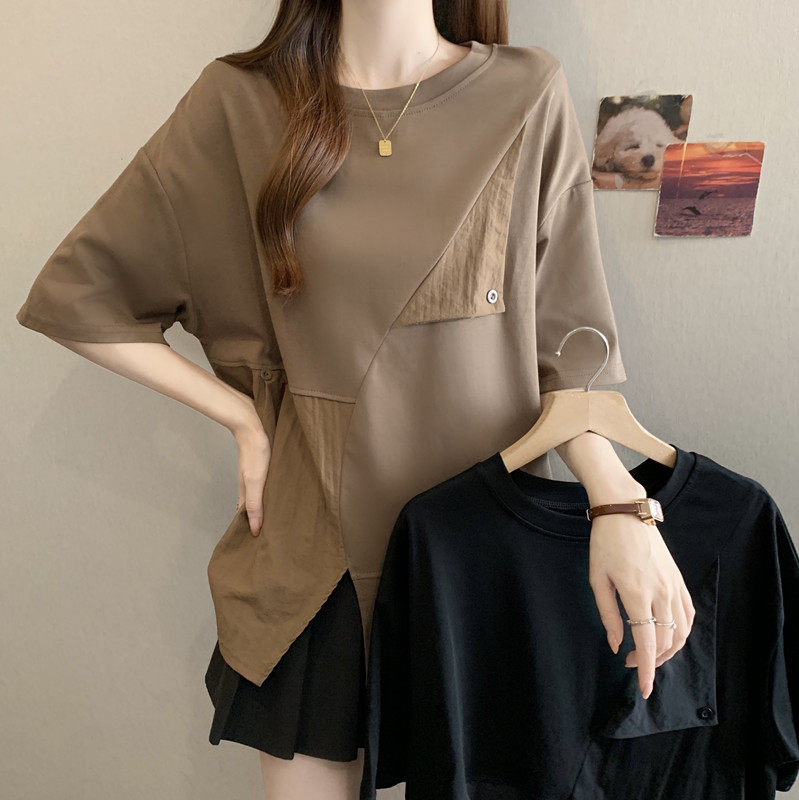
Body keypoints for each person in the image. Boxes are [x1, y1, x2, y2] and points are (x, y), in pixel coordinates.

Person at [15, 1, 697, 798]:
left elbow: (566, 349)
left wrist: (617, 503)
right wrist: (240, 418)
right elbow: (79, 297)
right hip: (315, 560)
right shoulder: (238, 103)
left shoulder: (524, 90)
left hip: (481, 554)